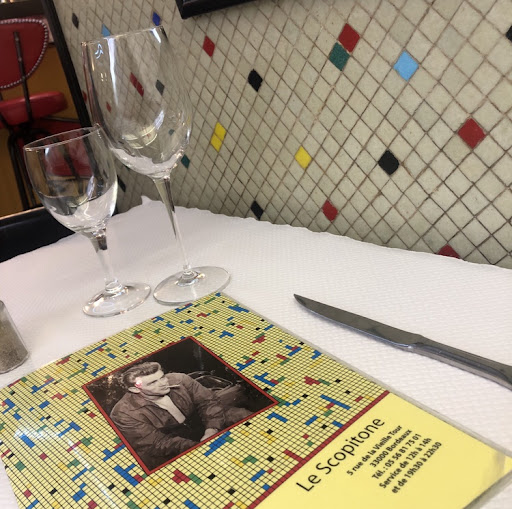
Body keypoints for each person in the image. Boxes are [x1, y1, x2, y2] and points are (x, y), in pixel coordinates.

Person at [110, 361, 251, 469]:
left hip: (199, 421)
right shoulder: (123, 413)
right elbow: (157, 443)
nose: (163, 384)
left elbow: (208, 402)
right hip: (169, 442)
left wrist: (212, 429)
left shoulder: (180, 379)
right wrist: (199, 447)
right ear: (135, 389)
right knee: (153, 463)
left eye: (162, 377)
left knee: (240, 415)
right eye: (153, 383)